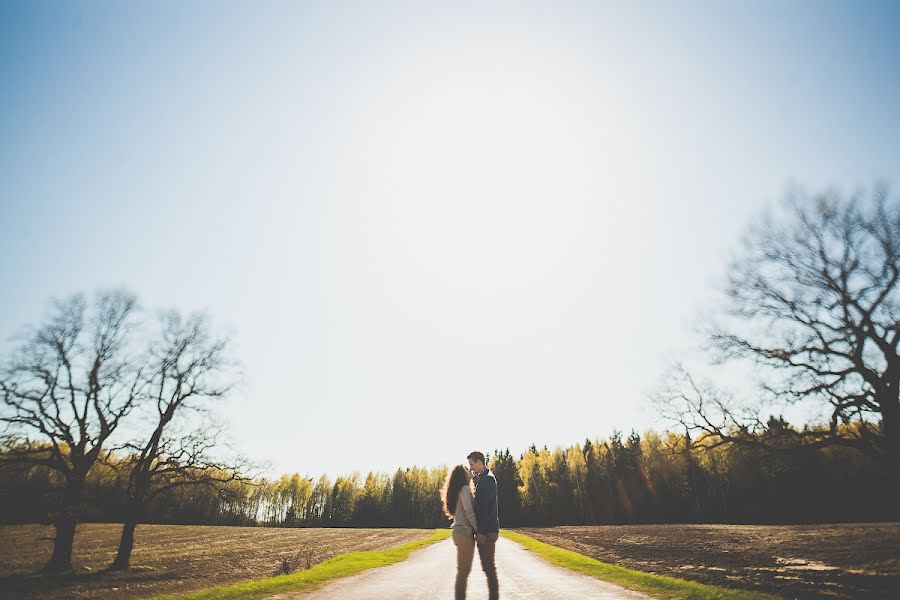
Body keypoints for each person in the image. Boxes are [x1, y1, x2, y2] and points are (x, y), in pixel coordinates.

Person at [442, 464, 479, 600]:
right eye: (466, 470)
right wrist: (478, 530)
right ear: (462, 476)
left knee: (462, 574)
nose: (470, 470)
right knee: (463, 574)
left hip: (458, 532)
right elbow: (469, 513)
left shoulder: (461, 489)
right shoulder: (464, 489)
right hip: (464, 532)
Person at [468, 450, 499, 600]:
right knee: (488, 568)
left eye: (472, 464)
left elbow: (484, 510)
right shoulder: (486, 478)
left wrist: (480, 532)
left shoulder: (487, 480)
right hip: (487, 530)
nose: (471, 468)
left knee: (489, 569)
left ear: (479, 462)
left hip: (486, 532)